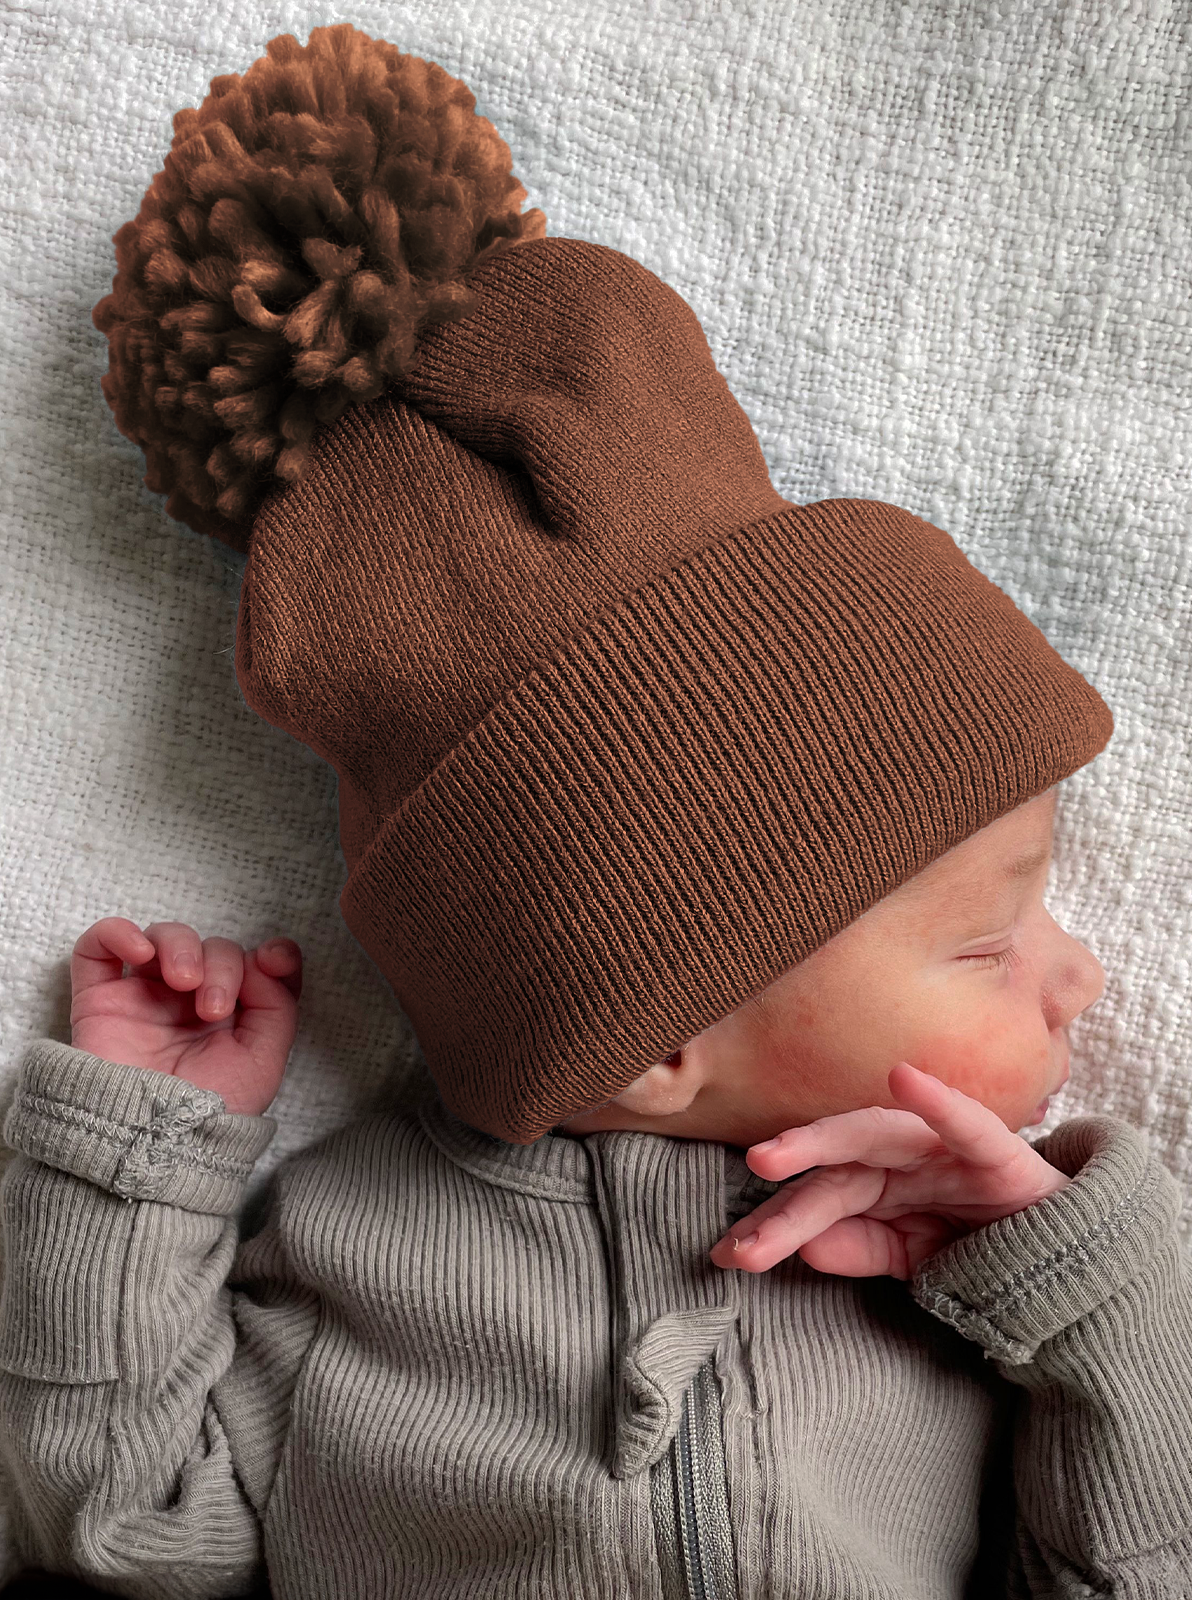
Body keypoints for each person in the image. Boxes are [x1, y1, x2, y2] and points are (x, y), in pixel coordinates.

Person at [2, 22, 1190, 1599]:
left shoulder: (966, 1300)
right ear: (650, 1035)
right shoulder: (349, 1260)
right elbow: (122, 1540)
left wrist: (1091, 1288)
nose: (1079, 975)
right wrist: (135, 1173)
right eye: (985, 945)